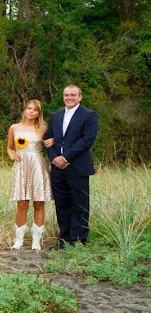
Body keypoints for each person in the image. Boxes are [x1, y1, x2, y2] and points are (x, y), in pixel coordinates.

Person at [44, 85, 99, 247]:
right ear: (63, 97)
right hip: (57, 168)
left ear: (80, 97)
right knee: (62, 203)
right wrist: (55, 158)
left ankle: (78, 240)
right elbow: (48, 139)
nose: (69, 97)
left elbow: (87, 140)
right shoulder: (55, 116)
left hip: (78, 167)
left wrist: (66, 157)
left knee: (79, 204)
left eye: (73, 95)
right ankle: (64, 239)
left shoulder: (89, 115)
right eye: (66, 95)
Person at [7, 100, 53, 250]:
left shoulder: (43, 128)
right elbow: (10, 148)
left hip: (37, 166)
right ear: (25, 110)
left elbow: (52, 145)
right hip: (21, 167)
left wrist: (52, 141)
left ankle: (36, 241)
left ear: (39, 113)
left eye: (35, 110)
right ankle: (19, 239)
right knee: (22, 203)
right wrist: (12, 155)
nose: (31, 111)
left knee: (39, 203)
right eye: (29, 108)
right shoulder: (14, 127)